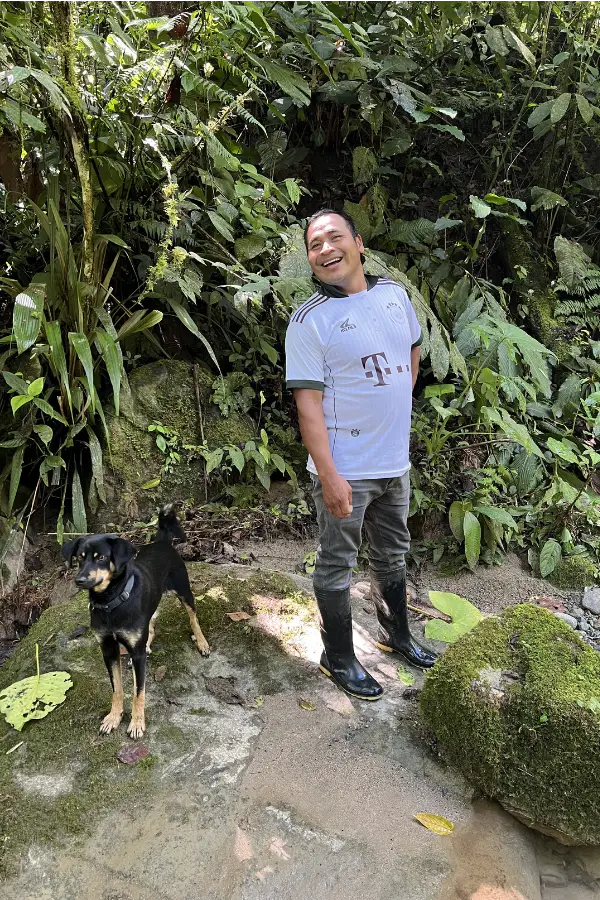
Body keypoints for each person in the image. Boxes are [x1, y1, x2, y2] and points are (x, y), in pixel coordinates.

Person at [285, 209, 437, 701]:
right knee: (336, 564)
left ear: (358, 243)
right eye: (315, 245)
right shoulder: (309, 321)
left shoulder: (394, 295)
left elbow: (413, 351)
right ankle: (339, 656)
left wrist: (395, 404)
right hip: (346, 469)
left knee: (394, 553)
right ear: (310, 260)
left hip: (395, 464)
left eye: (334, 238)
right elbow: (307, 407)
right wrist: (329, 476)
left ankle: (397, 634)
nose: (326, 249)